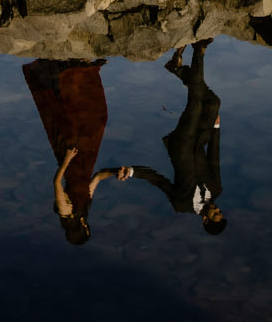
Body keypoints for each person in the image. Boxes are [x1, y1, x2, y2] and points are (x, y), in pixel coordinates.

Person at [110, 40, 226, 235]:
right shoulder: (216, 190)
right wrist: (216, 128)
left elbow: (159, 181)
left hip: (182, 144)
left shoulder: (181, 203)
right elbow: (214, 159)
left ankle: (199, 49)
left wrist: (132, 172)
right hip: (199, 141)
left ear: (205, 220)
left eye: (216, 214)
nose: (217, 209)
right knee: (214, 103)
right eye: (220, 212)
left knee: (196, 103)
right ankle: (177, 69)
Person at [23, 58, 128, 245]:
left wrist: (67, 159)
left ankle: (69, 73)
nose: (88, 226)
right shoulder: (83, 208)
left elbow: (56, 183)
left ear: (78, 230)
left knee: (73, 118)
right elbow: (96, 178)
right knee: (98, 120)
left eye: (86, 230)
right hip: (86, 162)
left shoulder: (66, 211)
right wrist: (114, 173)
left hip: (72, 162)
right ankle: (83, 72)